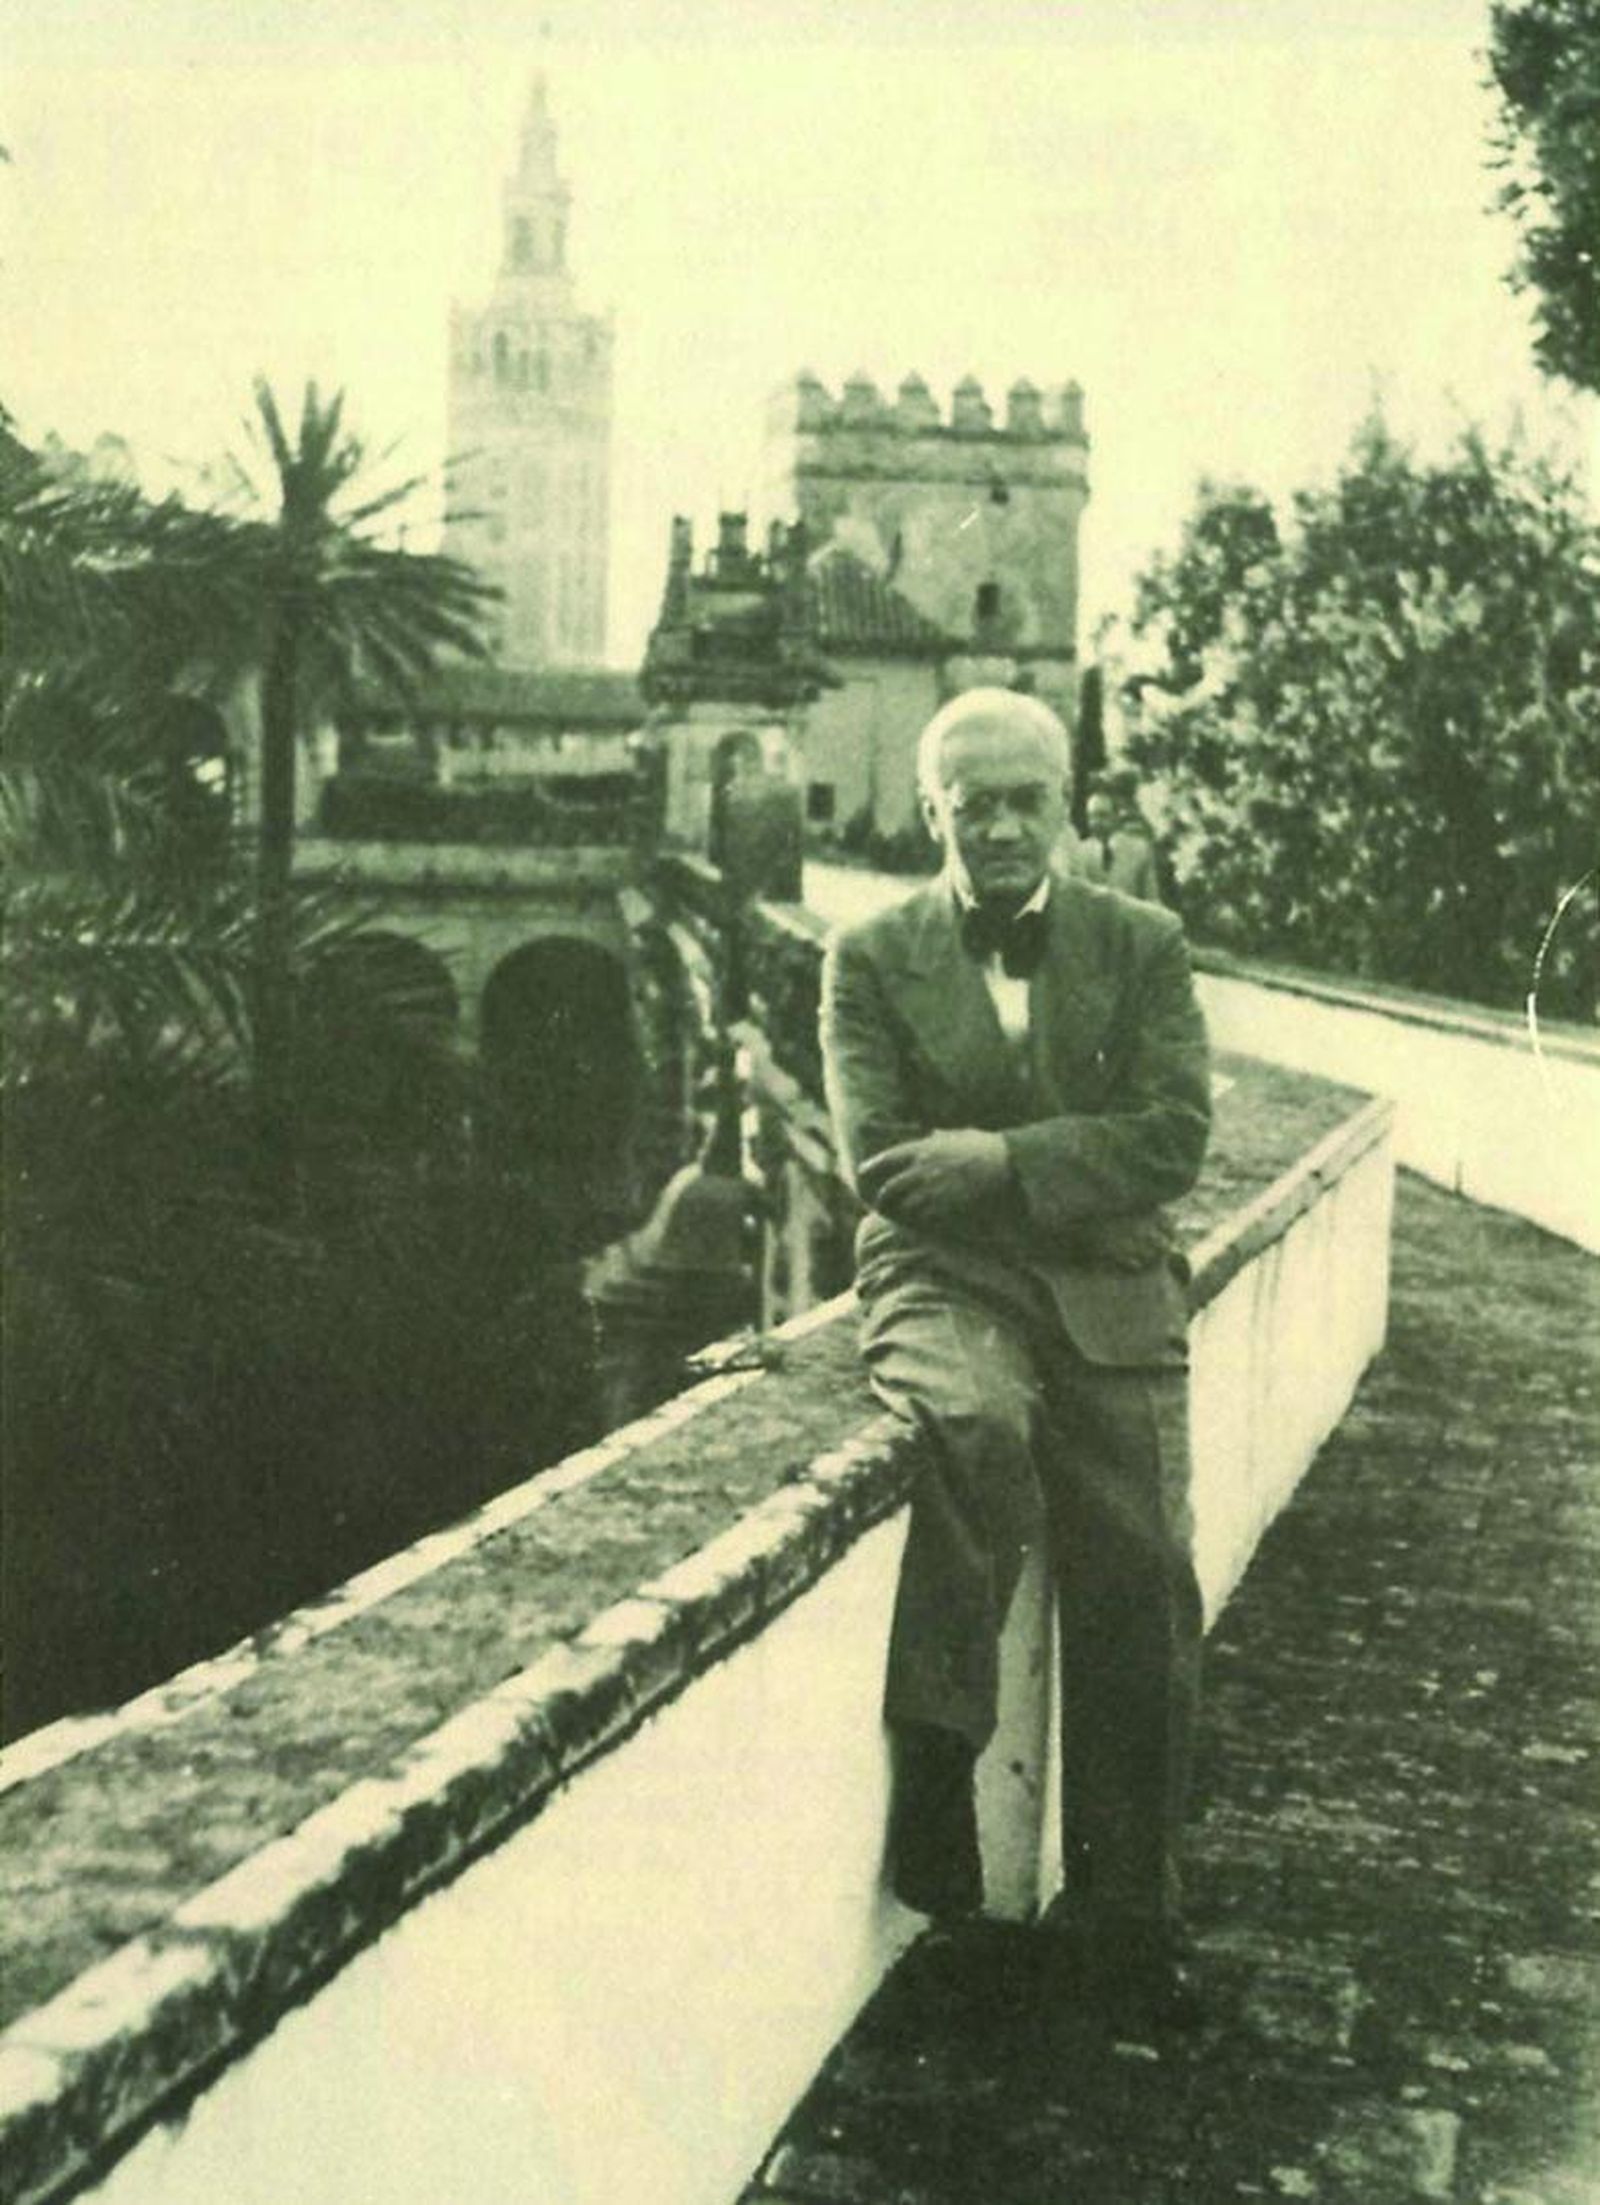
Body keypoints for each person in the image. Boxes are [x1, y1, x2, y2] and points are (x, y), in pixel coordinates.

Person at [819, 686, 1211, 2032]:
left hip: (1108, 1288)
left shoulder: (1142, 943)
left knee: (1142, 1570)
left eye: (1021, 799)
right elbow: (878, 1163)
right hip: (950, 1279)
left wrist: (1000, 1156)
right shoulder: (868, 957)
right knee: (966, 1428)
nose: (995, 825)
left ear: (1066, 805)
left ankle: (1127, 1918)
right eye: (967, 802)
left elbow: (1174, 1137)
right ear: (932, 811)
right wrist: (1052, 1166)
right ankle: (939, 1751)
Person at [1069, 779, 1162, 902]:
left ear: (1116, 816)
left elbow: (1152, 900)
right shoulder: (1080, 852)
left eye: (1102, 815)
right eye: (1091, 816)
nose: (1095, 822)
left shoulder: (1139, 850)